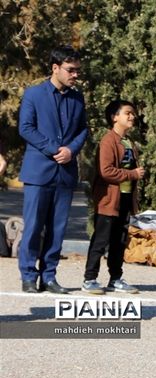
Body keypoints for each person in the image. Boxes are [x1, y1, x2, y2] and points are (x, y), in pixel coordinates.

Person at [18, 45, 88, 294]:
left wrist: (71, 150)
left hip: (65, 172)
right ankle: (28, 276)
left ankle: (49, 276)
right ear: (55, 68)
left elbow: (83, 130)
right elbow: (25, 128)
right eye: (71, 70)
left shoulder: (77, 98)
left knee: (58, 229)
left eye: (78, 70)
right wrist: (54, 148)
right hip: (39, 172)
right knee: (34, 226)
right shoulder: (33, 94)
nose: (75, 75)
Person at [82, 100, 144, 295]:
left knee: (119, 240)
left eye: (133, 113)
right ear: (114, 117)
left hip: (124, 199)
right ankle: (90, 278)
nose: (132, 116)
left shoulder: (128, 143)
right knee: (101, 239)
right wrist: (133, 174)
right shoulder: (108, 140)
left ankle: (115, 278)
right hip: (109, 200)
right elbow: (106, 171)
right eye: (127, 113)